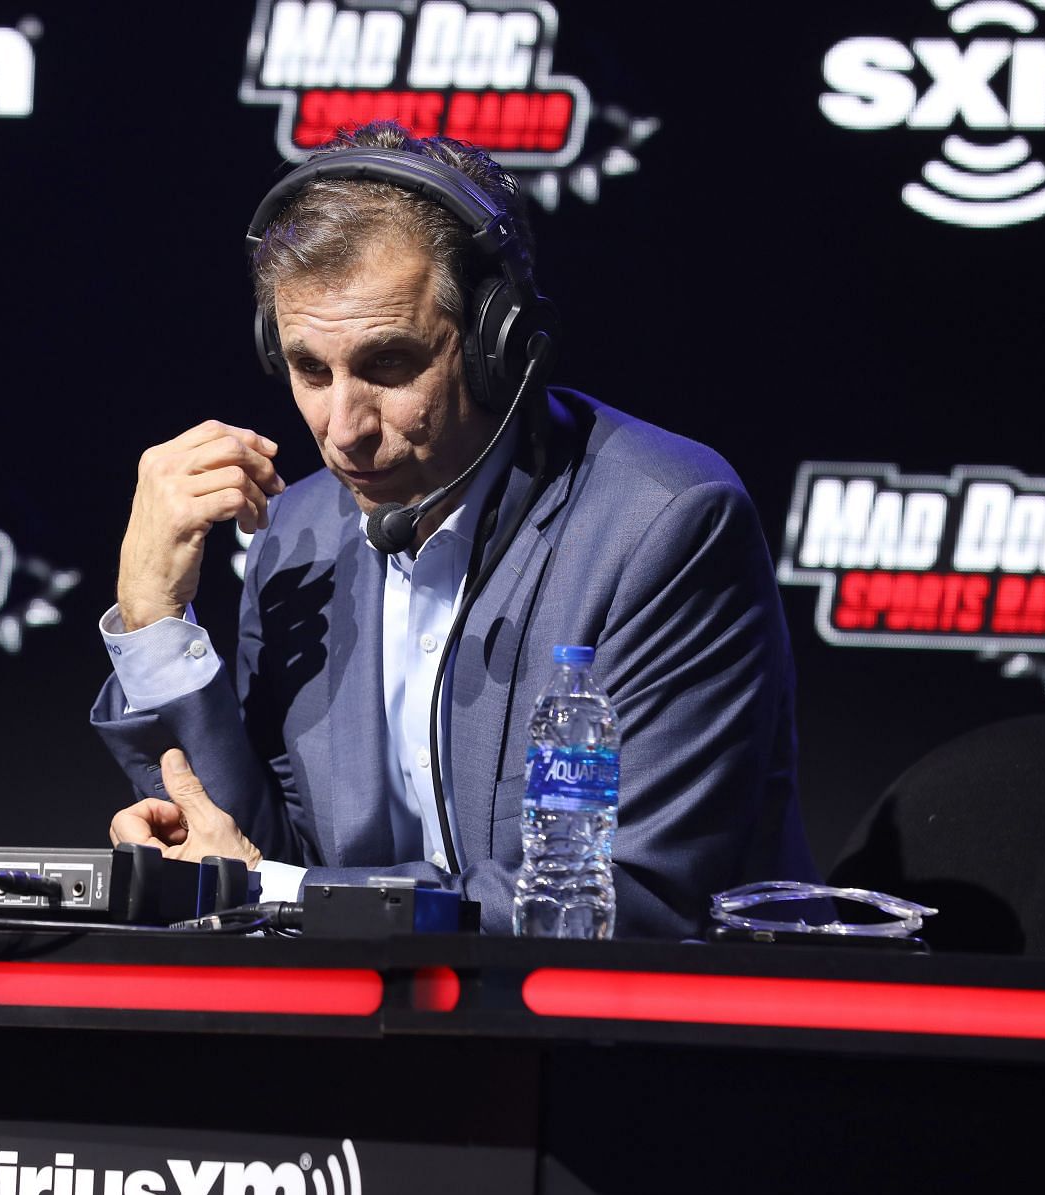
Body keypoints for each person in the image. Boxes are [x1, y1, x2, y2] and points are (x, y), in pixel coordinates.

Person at [92, 122, 814, 938]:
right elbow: (262, 853)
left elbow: (628, 900)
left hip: (615, 1046)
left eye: (389, 365)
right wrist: (154, 620)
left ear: (497, 346)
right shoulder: (298, 534)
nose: (343, 429)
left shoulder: (664, 524)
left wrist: (272, 891)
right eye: (309, 370)